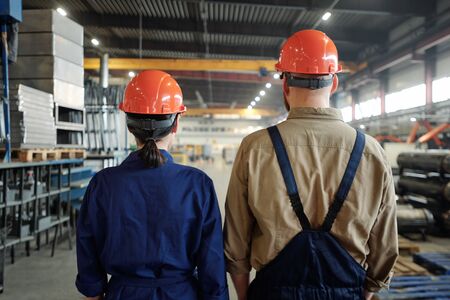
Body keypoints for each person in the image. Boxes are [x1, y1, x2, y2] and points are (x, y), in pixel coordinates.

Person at [224, 30, 398, 300]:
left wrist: (246, 295)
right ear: (335, 82)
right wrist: (364, 293)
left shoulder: (255, 147)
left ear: (285, 84)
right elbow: (385, 245)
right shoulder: (371, 152)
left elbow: (235, 240)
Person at [76, 70, 229, 300]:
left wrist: (95, 291)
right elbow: (212, 261)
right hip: (181, 294)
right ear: (176, 123)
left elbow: (88, 252)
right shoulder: (198, 185)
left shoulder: (103, 184)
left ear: (128, 124)